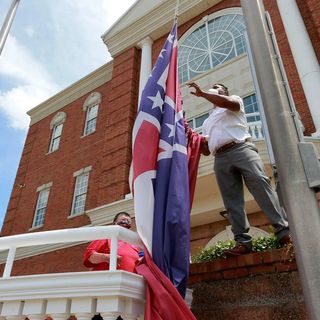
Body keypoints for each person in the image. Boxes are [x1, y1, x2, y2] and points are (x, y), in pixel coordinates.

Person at [188, 82, 291, 256]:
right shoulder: (207, 121)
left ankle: (284, 232)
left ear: (225, 92)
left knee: (260, 183)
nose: (213, 87)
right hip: (219, 157)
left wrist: (204, 94)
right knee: (231, 200)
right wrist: (192, 137)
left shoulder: (234, 100)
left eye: (218, 87)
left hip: (241, 148)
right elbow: (206, 151)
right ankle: (243, 242)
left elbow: (229, 104)